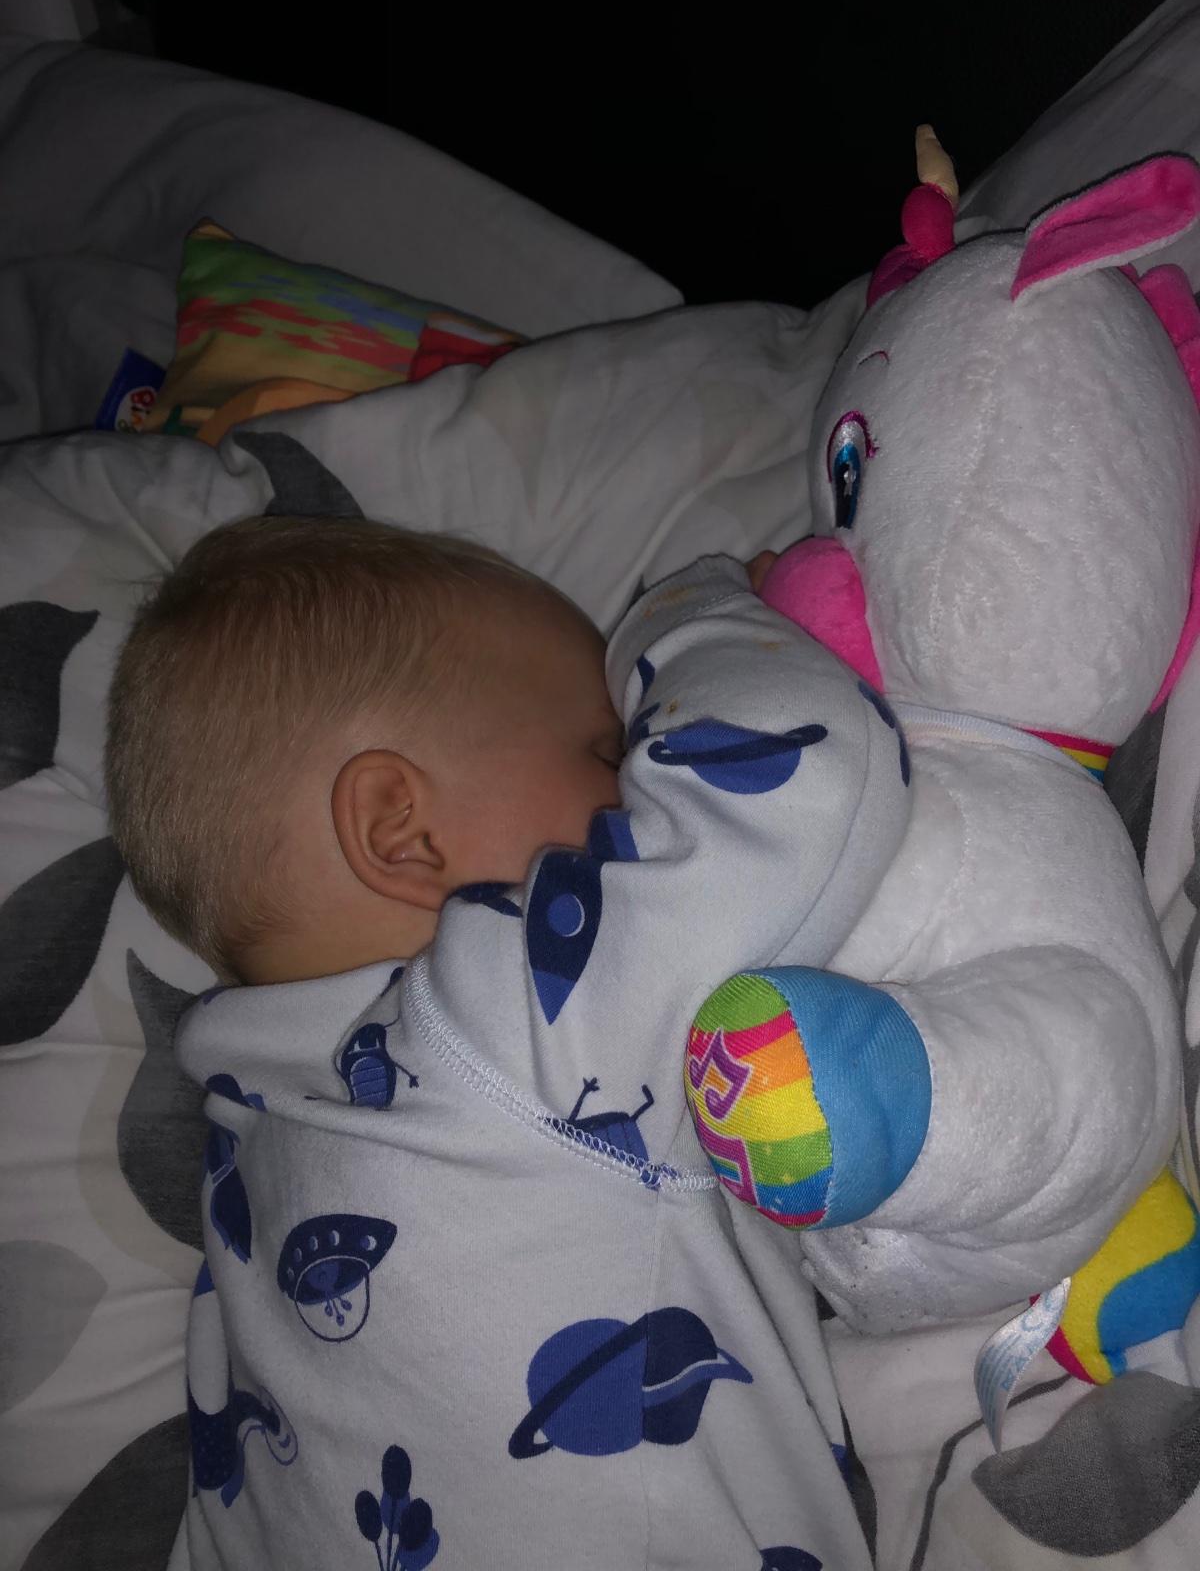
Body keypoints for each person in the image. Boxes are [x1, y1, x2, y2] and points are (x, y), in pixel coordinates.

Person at [106, 514, 910, 1570]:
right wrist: (694, 612)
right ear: (401, 831)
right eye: (608, 749)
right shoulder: (506, 1017)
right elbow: (805, 774)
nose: (639, 772)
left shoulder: (247, 1158)